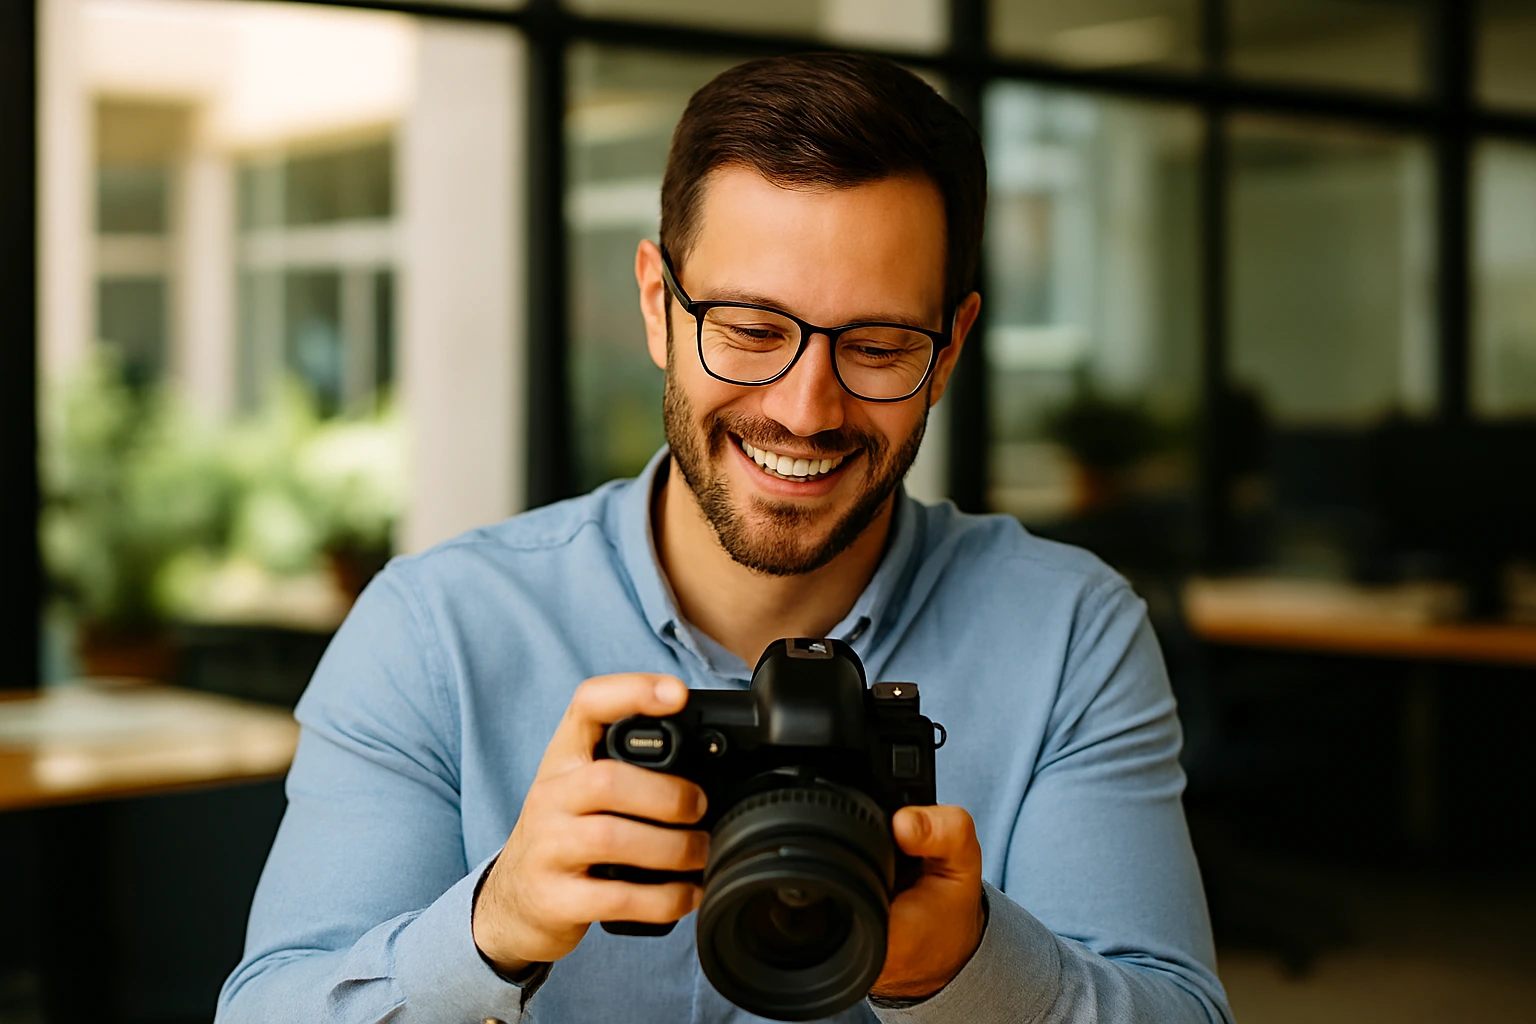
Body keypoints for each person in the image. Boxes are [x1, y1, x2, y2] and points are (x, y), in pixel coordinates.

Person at [217, 53, 1232, 1024]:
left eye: (879, 345)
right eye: (750, 329)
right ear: (658, 306)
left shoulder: (1067, 633)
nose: (804, 409)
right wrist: (496, 923)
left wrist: (964, 965)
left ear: (951, 347)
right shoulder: (435, 631)